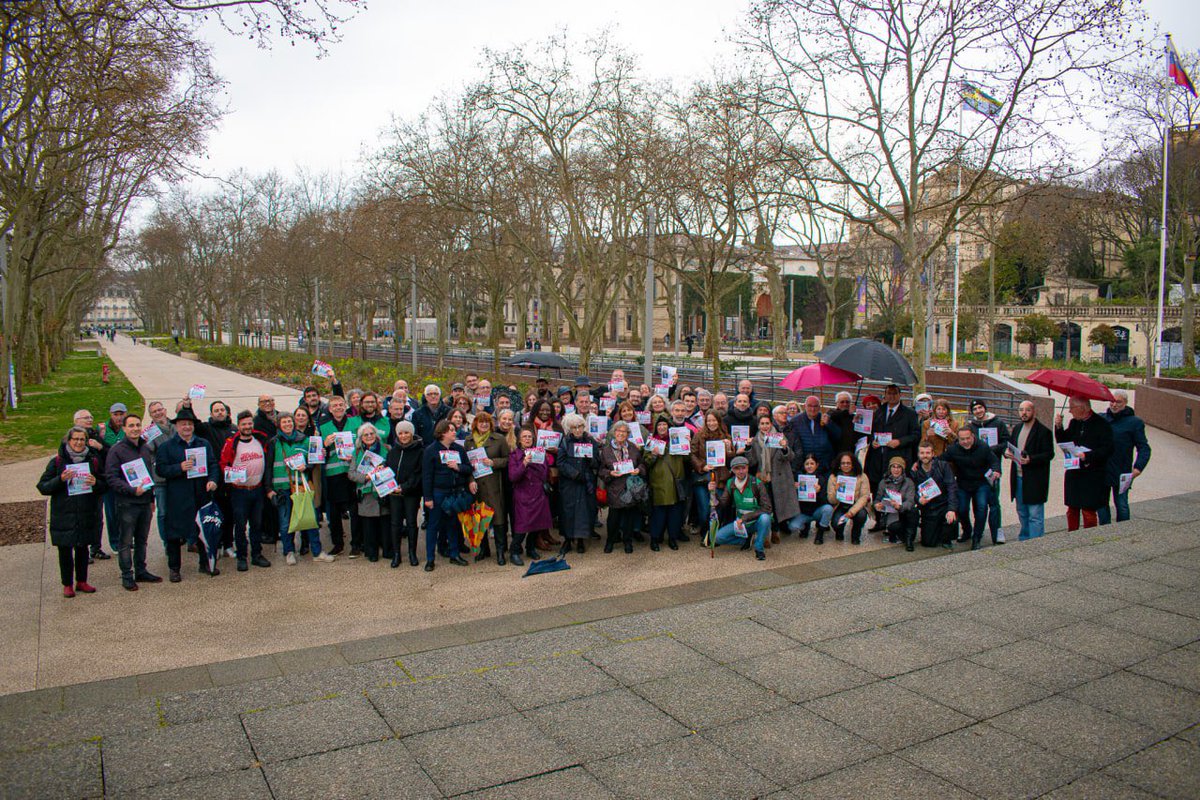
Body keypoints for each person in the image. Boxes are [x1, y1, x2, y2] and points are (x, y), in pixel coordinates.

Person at [38, 427, 107, 597]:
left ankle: (82, 581)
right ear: (68, 441)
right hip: (63, 514)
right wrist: (60, 480)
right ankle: (67, 584)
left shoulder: (93, 460)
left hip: (85, 512)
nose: (78, 442)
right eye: (75, 439)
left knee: (82, 548)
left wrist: (95, 483)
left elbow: (105, 484)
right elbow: (43, 487)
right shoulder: (57, 462)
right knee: (65, 551)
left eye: (81, 439)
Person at [155, 406, 218, 582]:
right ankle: (174, 568)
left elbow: (213, 464)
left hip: (200, 494)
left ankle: (205, 563)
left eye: (189, 424)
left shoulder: (203, 444)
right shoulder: (167, 447)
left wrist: (213, 480)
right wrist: (179, 468)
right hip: (178, 496)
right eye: (183, 424)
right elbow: (160, 469)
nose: (187, 427)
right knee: (175, 534)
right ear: (176, 426)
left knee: (202, 531)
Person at [264, 412, 332, 565]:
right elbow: (268, 467)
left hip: (301, 486)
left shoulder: (305, 440)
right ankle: (289, 551)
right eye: (284, 422)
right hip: (282, 488)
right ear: (279, 425)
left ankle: (317, 551)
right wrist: (268, 489)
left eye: (289, 421)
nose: (287, 424)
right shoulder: (274, 443)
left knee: (310, 519)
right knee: (285, 522)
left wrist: (307, 466)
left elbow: (314, 460)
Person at [105, 413, 159, 590]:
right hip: (127, 503)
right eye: (131, 426)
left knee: (142, 539)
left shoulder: (144, 448)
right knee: (126, 541)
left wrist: (151, 499)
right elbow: (111, 478)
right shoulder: (116, 450)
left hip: (144, 502)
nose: (135, 428)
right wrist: (131, 490)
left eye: (137, 425)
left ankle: (141, 571)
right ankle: (127, 575)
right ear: (124, 428)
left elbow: (149, 475)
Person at [218, 410, 271, 571]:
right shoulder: (232, 442)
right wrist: (230, 476)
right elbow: (223, 464)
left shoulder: (260, 439)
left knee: (256, 524)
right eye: (244, 424)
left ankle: (256, 554)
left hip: (257, 489)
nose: (247, 427)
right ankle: (242, 557)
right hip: (239, 491)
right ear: (238, 425)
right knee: (240, 526)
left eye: (249, 423)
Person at [421, 419, 474, 571]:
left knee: (453, 524)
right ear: (443, 432)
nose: (454, 432)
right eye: (451, 430)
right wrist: (428, 498)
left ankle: (454, 554)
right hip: (438, 493)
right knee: (433, 526)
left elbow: (468, 469)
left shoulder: (459, 449)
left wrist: (458, 468)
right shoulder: (431, 450)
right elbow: (426, 476)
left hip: (454, 492)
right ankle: (430, 559)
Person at [1055, 396, 1114, 531]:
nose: (1070, 411)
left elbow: (1108, 449)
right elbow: (1064, 441)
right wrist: (1059, 427)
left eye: (1072, 408)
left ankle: (1088, 539)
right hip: (1074, 471)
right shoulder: (1075, 422)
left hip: (1091, 474)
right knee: (1072, 509)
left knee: (1088, 511)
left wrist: (1087, 456)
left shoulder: (1102, 424)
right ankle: (1072, 534)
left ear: (1082, 408)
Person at [940, 426, 998, 549]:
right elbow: (940, 460)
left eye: (968, 438)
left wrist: (996, 470)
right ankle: (967, 530)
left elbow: (994, 460)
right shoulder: (953, 449)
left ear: (972, 436)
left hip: (981, 482)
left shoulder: (983, 447)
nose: (965, 442)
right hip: (963, 483)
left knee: (981, 508)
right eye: (962, 439)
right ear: (958, 439)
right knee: (961, 509)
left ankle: (977, 537)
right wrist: (920, 464)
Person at [747, 412, 801, 544]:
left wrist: (784, 447)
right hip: (763, 477)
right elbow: (752, 461)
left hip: (778, 478)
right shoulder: (755, 440)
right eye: (762, 424)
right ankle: (764, 534)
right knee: (765, 506)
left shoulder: (779, 437)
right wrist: (748, 448)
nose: (765, 426)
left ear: (771, 424)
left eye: (767, 423)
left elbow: (790, 457)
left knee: (777, 508)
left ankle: (775, 531)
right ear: (758, 426)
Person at [1005, 401, 1055, 540]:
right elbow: (1011, 447)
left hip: (1034, 479)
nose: (1024, 413)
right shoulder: (1017, 428)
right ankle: (1025, 538)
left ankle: (1036, 542)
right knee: (1021, 511)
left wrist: (1031, 459)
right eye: (1021, 410)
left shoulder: (1043, 431)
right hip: (1018, 477)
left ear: (1034, 412)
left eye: (1027, 410)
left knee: (1034, 513)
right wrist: (1007, 453)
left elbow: (1049, 454)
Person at [1100, 390, 1151, 524]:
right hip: (1102, 470)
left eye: (1118, 402)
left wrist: (1138, 468)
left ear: (1126, 403)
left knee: (1121, 504)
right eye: (1112, 401)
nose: (1114, 405)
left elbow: (1144, 448)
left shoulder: (1134, 423)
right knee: (1101, 504)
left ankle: (1123, 532)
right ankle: (1104, 531)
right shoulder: (1102, 419)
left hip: (1122, 471)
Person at [319, 395, 361, 556]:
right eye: (335, 406)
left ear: (346, 406)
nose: (338, 408)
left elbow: (363, 443)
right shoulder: (324, 427)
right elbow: (318, 454)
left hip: (352, 472)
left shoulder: (355, 422)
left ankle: (356, 543)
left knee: (355, 509)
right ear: (330, 409)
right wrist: (325, 445)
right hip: (333, 473)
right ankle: (338, 543)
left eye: (341, 405)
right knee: (335, 512)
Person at [709, 455, 773, 560]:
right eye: (737, 468)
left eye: (743, 468)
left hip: (756, 522)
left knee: (765, 517)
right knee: (717, 538)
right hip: (741, 524)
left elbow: (767, 508)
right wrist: (713, 492)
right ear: (732, 470)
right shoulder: (730, 483)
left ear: (747, 468)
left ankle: (759, 548)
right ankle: (746, 540)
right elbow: (722, 504)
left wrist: (745, 518)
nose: (741, 471)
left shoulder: (757, 483)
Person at [467, 411, 510, 563]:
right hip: (477, 485)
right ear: (476, 424)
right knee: (480, 518)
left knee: (498, 519)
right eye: (481, 422)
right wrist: (470, 480)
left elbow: (507, 459)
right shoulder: (469, 441)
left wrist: (494, 462)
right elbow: (467, 465)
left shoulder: (498, 439)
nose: (484, 424)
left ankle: (500, 552)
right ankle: (484, 549)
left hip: (494, 485)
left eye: (487, 422)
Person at [599, 421, 647, 553]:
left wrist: (638, 470)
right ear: (614, 433)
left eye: (624, 431)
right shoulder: (606, 450)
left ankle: (627, 541)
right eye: (618, 431)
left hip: (630, 488)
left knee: (629, 517)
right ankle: (610, 541)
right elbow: (601, 470)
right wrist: (610, 473)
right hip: (615, 488)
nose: (620, 433)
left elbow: (642, 464)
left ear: (628, 434)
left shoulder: (633, 448)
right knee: (613, 518)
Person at [508, 426, 552, 566]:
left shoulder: (539, 453)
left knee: (537, 524)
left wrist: (541, 460)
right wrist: (524, 463)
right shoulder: (515, 455)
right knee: (522, 526)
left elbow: (545, 474)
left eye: (530, 437)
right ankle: (514, 551)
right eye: (524, 437)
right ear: (519, 440)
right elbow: (513, 476)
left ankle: (530, 547)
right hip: (523, 494)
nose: (527, 439)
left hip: (538, 493)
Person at [967, 399, 1009, 544]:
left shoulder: (998, 423)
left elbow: (1005, 442)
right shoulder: (971, 426)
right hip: (977, 470)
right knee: (979, 504)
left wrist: (992, 449)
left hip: (993, 468)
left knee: (994, 502)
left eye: (980, 407)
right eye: (975, 409)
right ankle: (978, 532)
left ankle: (997, 531)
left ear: (985, 408)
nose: (978, 411)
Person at [868, 385, 920, 500]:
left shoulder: (909, 413)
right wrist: (873, 441)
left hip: (898, 458)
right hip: (878, 460)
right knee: (878, 494)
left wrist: (900, 441)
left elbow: (916, 435)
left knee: (896, 496)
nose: (891, 396)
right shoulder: (878, 411)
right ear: (885, 395)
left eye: (894, 393)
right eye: (889, 393)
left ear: (900, 395)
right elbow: (870, 432)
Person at [642, 416, 687, 550]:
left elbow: (687, 458)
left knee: (674, 513)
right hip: (659, 483)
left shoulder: (676, 439)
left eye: (665, 425)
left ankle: (672, 538)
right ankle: (655, 538)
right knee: (658, 514)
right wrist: (654, 455)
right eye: (660, 425)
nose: (662, 427)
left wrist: (687, 443)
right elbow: (646, 462)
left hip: (675, 482)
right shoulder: (652, 442)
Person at [556, 413, 599, 554]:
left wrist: (590, 460)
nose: (578, 430)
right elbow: (561, 463)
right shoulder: (564, 442)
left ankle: (581, 540)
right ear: (569, 429)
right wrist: (574, 473)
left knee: (585, 511)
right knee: (567, 511)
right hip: (570, 483)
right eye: (574, 427)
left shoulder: (590, 441)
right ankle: (568, 540)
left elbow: (597, 462)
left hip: (586, 482)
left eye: (580, 426)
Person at [347, 424, 390, 562]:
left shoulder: (386, 449)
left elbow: (393, 468)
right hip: (366, 492)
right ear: (361, 438)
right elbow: (351, 474)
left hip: (383, 492)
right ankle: (372, 552)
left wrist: (382, 472)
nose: (369, 436)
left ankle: (388, 550)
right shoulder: (357, 453)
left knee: (385, 523)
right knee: (368, 525)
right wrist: (366, 477)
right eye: (366, 435)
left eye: (372, 433)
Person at [385, 420, 423, 567]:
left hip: (411, 493)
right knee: (395, 524)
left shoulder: (420, 451)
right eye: (400, 433)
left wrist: (405, 487)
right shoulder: (392, 451)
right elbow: (388, 470)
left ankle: (412, 553)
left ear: (411, 433)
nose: (403, 436)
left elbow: (418, 473)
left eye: (406, 432)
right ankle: (396, 554)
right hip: (394, 493)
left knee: (412, 523)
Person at [911, 441, 959, 549]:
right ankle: (936, 531)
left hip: (943, 504)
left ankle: (947, 537)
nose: (925, 456)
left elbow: (951, 487)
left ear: (933, 454)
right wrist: (919, 499)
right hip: (929, 507)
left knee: (952, 518)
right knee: (928, 543)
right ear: (918, 455)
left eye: (928, 453)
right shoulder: (914, 470)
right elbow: (912, 490)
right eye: (922, 453)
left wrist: (951, 509)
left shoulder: (943, 466)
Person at [691, 411, 732, 528]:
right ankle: (705, 532)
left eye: (714, 420)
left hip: (720, 478)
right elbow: (693, 454)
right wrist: (702, 466)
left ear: (718, 422)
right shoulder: (698, 436)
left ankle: (715, 534)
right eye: (709, 420)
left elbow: (730, 460)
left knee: (717, 508)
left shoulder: (726, 437)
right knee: (704, 509)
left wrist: (729, 448)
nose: (711, 423)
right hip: (703, 478)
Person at [785, 395, 840, 474]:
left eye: (815, 406)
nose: (813, 409)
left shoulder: (825, 419)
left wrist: (829, 424)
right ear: (804, 406)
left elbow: (837, 437)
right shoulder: (795, 421)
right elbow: (791, 444)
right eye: (810, 406)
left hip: (824, 465)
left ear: (819, 407)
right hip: (804, 466)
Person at [874, 456, 917, 550]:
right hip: (890, 513)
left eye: (899, 467)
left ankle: (909, 539)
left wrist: (900, 506)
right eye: (893, 467)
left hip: (904, 512)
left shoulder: (909, 482)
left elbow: (910, 501)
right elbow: (877, 499)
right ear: (890, 468)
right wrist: (877, 505)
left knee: (913, 511)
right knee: (894, 527)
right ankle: (895, 534)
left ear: (903, 469)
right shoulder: (883, 482)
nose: (896, 470)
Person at [827, 451, 870, 544]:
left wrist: (851, 512)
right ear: (839, 464)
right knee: (835, 524)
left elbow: (864, 497)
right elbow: (831, 500)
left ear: (853, 464)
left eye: (848, 463)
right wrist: (836, 491)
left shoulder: (862, 476)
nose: (845, 465)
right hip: (840, 505)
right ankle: (839, 532)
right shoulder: (833, 477)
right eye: (843, 463)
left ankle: (855, 534)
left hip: (856, 505)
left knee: (861, 516)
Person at [792, 453, 833, 542]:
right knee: (793, 526)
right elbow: (793, 501)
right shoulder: (799, 478)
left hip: (816, 511)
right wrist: (795, 489)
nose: (809, 466)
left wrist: (818, 493)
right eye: (807, 464)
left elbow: (825, 500)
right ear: (803, 465)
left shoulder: (821, 479)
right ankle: (805, 527)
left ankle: (820, 534)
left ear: (816, 465)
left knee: (828, 509)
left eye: (812, 464)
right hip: (804, 512)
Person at [828, 391, 858, 457]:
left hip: (849, 452)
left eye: (847, 402)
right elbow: (835, 416)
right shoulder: (832, 414)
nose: (845, 404)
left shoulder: (852, 417)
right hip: (835, 452)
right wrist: (847, 413)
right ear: (837, 403)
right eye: (842, 402)